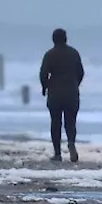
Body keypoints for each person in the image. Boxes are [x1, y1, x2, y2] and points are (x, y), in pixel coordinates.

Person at [39, 28, 85, 162]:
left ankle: (58, 153)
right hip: (72, 92)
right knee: (71, 122)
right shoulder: (74, 53)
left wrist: (45, 87)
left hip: (55, 93)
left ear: (53, 40)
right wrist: (76, 84)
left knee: (55, 122)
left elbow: (43, 73)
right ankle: (71, 142)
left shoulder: (50, 54)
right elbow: (81, 72)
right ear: (66, 39)